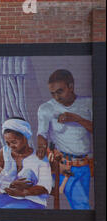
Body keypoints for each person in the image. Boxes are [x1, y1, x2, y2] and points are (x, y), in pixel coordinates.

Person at [36, 69, 93, 210]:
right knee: (82, 207)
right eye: (52, 93)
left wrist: (76, 118)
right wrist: (42, 147)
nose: (56, 97)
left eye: (59, 91)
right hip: (64, 167)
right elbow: (41, 134)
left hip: (85, 166)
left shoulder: (88, 104)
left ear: (71, 86)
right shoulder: (46, 108)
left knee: (81, 206)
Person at [0, 117, 52, 209]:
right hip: (10, 196)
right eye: (8, 143)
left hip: (32, 200)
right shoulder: (5, 152)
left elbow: (45, 187)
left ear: (24, 137)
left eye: (14, 142)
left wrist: (24, 192)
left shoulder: (40, 158)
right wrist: (8, 184)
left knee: (7, 211)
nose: (11, 146)